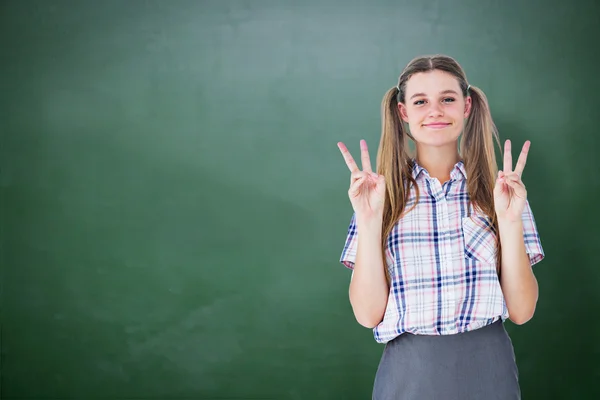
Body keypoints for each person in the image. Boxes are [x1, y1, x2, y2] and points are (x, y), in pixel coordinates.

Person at [336, 54, 545, 399]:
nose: (435, 111)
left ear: (466, 106)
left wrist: (509, 223)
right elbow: (367, 314)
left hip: (488, 371)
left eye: (447, 99)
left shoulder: (503, 194)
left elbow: (522, 312)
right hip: (409, 375)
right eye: (421, 101)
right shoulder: (377, 198)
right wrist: (369, 222)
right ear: (403, 112)